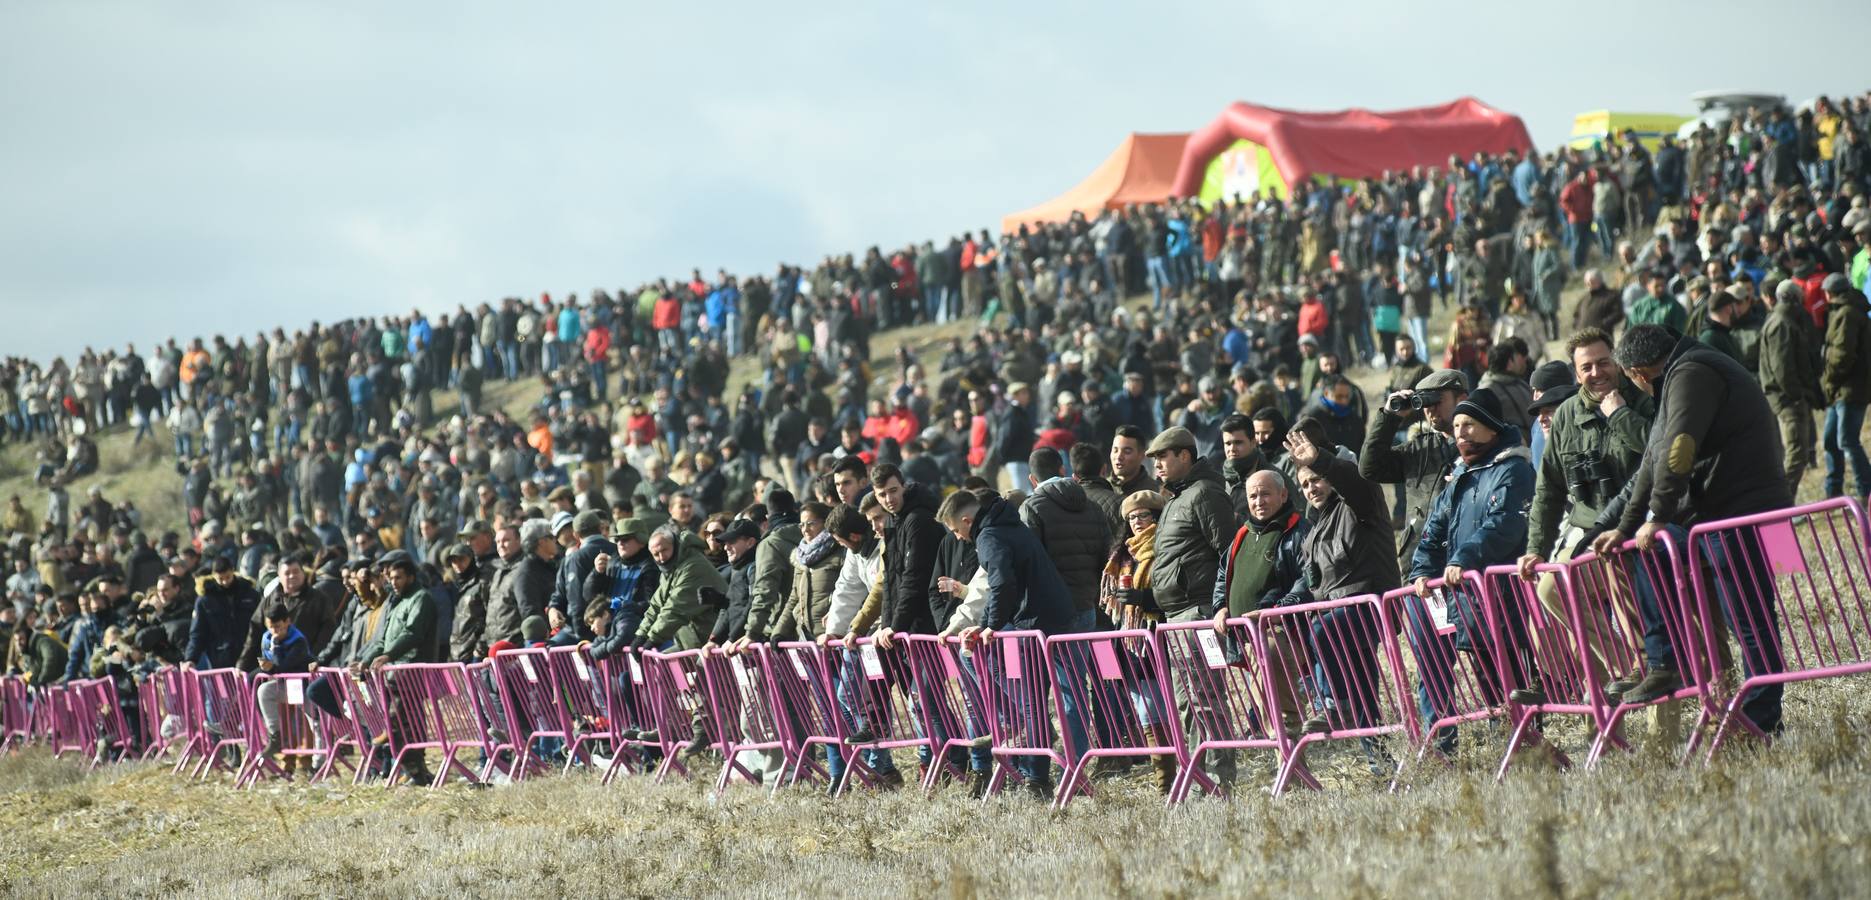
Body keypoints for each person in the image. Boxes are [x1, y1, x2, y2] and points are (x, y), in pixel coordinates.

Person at [1590, 325, 1790, 734]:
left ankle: (1762, 718)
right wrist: (1626, 526)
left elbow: (1679, 448)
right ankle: (1665, 660)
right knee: (1650, 551)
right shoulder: (1680, 373)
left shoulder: (1692, 373)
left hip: (1743, 514)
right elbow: (1652, 459)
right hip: (1716, 516)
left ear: (1638, 372)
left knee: (1749, 620)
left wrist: (1658, 516)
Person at [1515, 328, 1656, 701]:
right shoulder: (1566, 416)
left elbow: (1660, 452)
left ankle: (1664, 738)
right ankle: (1631, 667)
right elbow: (1548, 488)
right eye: (1587, 367)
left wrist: (1621, 415)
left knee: (1644, 625)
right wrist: (1536, 548)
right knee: (1551, 588)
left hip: (1641, 527)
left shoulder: (1642, 397)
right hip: (1588, 529)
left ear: (1617, 360)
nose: (1597, 373)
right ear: (1576, 373)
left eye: (1603, 362)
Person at [1402, 387, 1534, 750]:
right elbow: (1434, 531)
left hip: (1503, 595)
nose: (1460, 434)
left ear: (1491, 427)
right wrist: (1422, 572)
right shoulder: (1461, 475)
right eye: (1457, 426)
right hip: (1467, 599)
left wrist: (1463, 559)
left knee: (1512, 676)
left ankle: (1527, 743)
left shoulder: (1514, 469)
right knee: (1487, 676)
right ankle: (1511, 744)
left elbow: (1504, 524)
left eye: (1470, 425)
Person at [940, 489, 1082, 800]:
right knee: (1062, 700)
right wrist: (990, 621)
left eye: (955, 530)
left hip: (1033, 624)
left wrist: (990, 625)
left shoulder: (988, 535)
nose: (958, 537)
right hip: (1057, 617)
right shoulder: (1011, 524)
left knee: (1032, 704)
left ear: (966, 520)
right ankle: (1071, 772)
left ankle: (1037, 778)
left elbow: (1001, 582)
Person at [1278, 427, 1400, 756]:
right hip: (1339, 614)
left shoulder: (1360, 502)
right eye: (1304, 484)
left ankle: (1331, 704)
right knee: (1362, 692)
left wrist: (1320, 460)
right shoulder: (1314, 529)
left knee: (1321, 631)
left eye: (1316, 479)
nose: (1311, 488)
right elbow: (1311, 578)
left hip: (1368, 606)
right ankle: (1380, 763)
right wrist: (1279, 604)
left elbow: (1354, 482)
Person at [1210, 470, 1309, 737]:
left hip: (1282, 632)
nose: (1258, 501)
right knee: (1269, 711)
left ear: (1283, 494)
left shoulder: (1298, 530)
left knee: (1281, 712)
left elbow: (1308, 577)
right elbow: (1223, 575)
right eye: (1253, 495)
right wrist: (1220, 605)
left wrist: (1278, 611)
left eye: (1265, 493)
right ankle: (1291, 765)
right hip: (1245, 637)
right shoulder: (1242, 534)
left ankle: (1290, 756)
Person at [1097, 489, 1175, 793]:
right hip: (1130, 641)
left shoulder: (1164, 547)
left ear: (1156, 517)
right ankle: (1163, 782)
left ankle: (1177, 773)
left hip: (1159, 636)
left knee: (1162, 707)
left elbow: (1172, 591)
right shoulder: (1122, 555)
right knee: (1144, 709)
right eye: (1132, 517)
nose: (1138, 522)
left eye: (1144, 515)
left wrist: (1146, 599)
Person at [1360, 369, 1467, 566]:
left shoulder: (1480, 444)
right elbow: (1370, 467)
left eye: (1437, 401)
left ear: (1461, 399)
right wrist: (1389, 418)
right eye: (1425, 403)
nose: (1430, 410)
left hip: (1461, 563)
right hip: (1418, 567)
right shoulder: (1419, 450)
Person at [1760, 278, 1826, 498]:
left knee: (1797, 454)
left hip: (1789, 397)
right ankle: (1781, 505)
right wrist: (1797, 396)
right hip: (1788, 400)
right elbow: (1783, 370)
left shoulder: (1783, 320)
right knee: (1796, 455)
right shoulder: (1782, 323)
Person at [1820, 273, 1871, 501]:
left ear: (1831, 293)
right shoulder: (1843, 311)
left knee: (1847, 440)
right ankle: (1834, 489)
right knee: (1831, 439)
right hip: (1841, 388)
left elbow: (1842, 355)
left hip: (1851, 388)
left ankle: (1866, 490)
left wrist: (1829, 380)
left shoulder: (1847, 314)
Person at [254, 602, 313, 760]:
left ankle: (319, 761)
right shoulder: (266, 637)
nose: (274, 631)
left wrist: (277, 646)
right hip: (284, 684)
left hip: (302, 685)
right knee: (262, 690)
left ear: (288, 621)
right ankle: (275, 737)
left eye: (278, 626)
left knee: (315, 722)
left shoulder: (298, 640)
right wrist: (266, 667)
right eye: (270, 626)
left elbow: (284, 666)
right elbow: (272, 665)